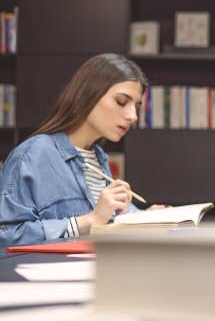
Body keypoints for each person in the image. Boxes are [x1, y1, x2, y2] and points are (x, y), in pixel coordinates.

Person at [0, 53, 164, 248]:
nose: (133, 116)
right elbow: (7, 236)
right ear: (88, 95)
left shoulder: (98, 156)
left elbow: (106, 218)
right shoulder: (33, 154)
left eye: (136, 107)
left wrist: (146, 216)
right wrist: (88, 220)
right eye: (121, 102)